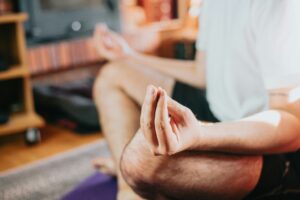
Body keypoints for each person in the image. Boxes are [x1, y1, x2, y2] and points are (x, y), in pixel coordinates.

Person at [93, 0, 300, 199]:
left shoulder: (279, 4)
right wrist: (129, 55)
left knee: (144, 157)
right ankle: (129, 189)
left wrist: (201, 134)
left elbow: (293, 127)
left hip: (271, 146)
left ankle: (135, 175)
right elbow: (201, 73)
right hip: (217, 115)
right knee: (113, 74)